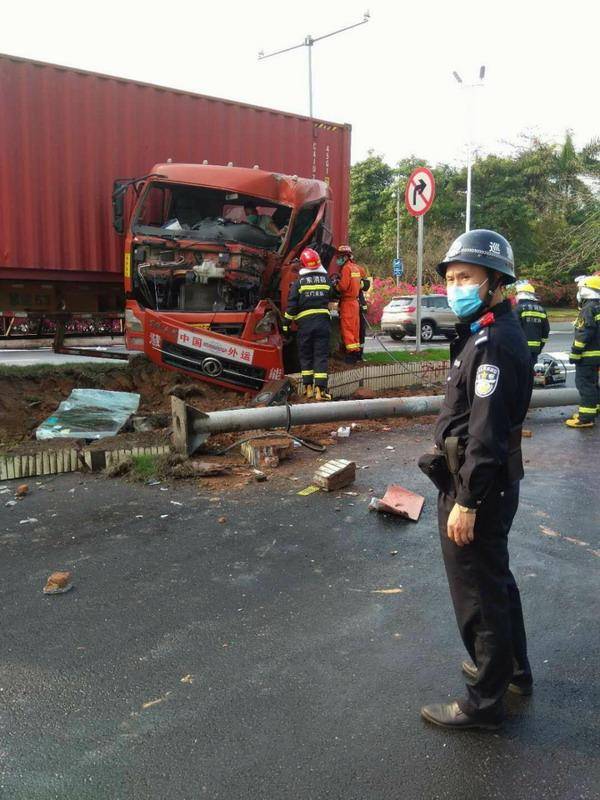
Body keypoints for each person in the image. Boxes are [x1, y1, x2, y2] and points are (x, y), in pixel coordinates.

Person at [419, 229, 534, 731]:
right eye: (450, 278)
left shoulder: (493, 344)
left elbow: (486, 433)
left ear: (495, 283)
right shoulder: (485, 332)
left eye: (466, 277)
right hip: (485, 482)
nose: (455, 286)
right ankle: (511, 670)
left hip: (477, 487)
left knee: (478, 595)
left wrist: (466, 500)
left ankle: (483, 702)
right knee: (496, 582)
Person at [283, 248, 333, 401]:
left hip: (305, 325)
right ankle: (321, 391)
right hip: (323, 323)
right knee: (320, 356)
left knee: (305, 356)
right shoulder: (326, 280)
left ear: (303, 264)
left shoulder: (299, 283)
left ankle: (308, 389)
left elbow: (291, 306)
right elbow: (332, 295)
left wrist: (285, 325)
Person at [565, 274, 600, 428]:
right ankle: (593, 410)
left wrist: (575, 353)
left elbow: (583, 333)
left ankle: (585, 418)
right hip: (597, 356)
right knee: (593, 384)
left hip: (587, 356)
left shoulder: (588, 309)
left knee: (585, 385)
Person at [333, 244, 363, 363]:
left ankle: (351, 355)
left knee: (347, 328)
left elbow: (343, 286)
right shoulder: (356, 268)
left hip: (347, 303)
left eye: (339, 256)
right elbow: (361, 280)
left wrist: (335, 285)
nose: (338, 259)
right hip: (355, 302)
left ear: (345, 257)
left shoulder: (346, 269)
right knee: (355, 328)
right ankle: (356, 352)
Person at [514, 280, 550, 364]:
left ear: (520, 294)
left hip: (521, 349)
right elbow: (546, 331)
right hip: (535, 350)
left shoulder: (518, 309)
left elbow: (514, 330)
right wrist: (540, 347)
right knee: (530, 373)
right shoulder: (541, 310)